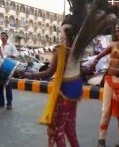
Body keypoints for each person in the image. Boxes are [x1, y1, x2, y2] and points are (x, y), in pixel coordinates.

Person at [17, 16, 82, 147]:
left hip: (63, 91)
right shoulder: (78, 50)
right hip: (75, 91)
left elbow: (48, 73)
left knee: (58, 130)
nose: (60, 34)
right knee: (70, 127)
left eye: (60, 31)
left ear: (64, 32)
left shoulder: (60, 50)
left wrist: (27, 74)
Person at [0, 32, 19, 110]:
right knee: (0, 87)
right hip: (0, 68)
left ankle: (9, 103)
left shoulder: (11, 45)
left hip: (8, 67)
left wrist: (10, 55)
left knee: (8, 87)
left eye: (4, 36)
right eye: (1, 36)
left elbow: (16, 53)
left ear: (7, 37)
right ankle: (1, 103)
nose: (2, 37)